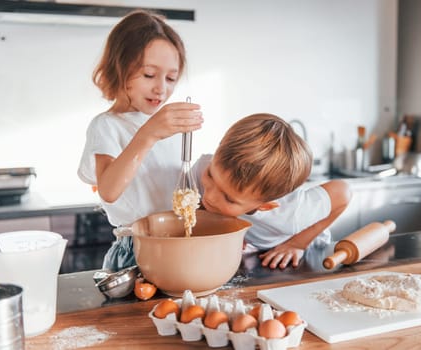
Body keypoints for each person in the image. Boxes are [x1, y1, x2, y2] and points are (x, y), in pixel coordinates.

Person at [77, 10, 203, 271]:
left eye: (170, 78)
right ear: (119, 69)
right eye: (148, 74)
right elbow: (109, 191)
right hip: (137, 250)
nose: (161, 89)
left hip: (177, 242)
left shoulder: (167, 125)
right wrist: (148, 133)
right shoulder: (107, 125)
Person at [192, 113, 351, 269]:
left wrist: (297, 244)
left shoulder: (291, 214)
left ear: (265, 206)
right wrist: (229, 228)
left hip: (307, 248)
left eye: (229, 199)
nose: (210, 196)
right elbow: (202, 205)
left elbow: (342, 192)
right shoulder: (206, 165)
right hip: (258, 248)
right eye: (210, 176)